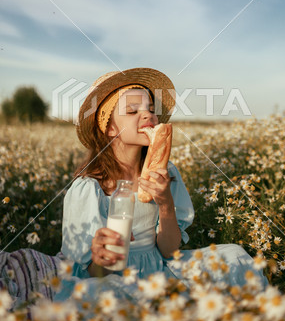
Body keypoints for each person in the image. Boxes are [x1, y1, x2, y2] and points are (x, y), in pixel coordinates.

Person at [54, 67, 268, 303]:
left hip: (159, 267)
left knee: (235, 257)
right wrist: (102, 257)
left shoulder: (165, 172)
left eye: (151, 110)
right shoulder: (89, 187)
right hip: (112, 277)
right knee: (104, 297)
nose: (148, 115)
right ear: (110, 128)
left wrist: (165, 202)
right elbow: (91, 274)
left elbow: (170, 251)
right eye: (132, 110)